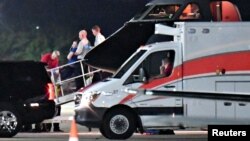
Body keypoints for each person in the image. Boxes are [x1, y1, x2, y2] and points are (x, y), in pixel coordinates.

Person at [41, 50, 63, 132]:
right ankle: (46, 127)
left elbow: (55, 69)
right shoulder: (46, 56)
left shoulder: (56, 60)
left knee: (57, 107)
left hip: (52, 78)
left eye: (56, 57)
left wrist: (56, 71)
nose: (54, 58)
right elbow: (42, 66)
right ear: (52, 54)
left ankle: (56, 127)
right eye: (54, 56)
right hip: (45, 75)